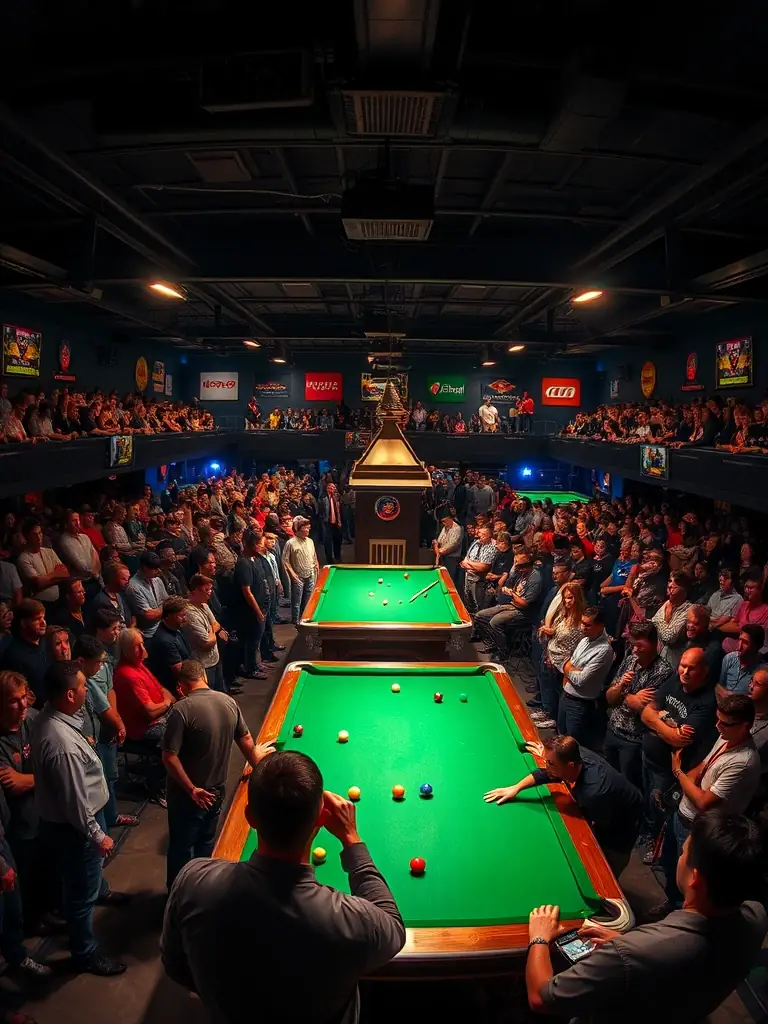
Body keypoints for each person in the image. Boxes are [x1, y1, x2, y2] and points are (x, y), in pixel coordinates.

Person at [161, 750, 406, 1022]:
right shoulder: (350, 919)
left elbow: (175, 964)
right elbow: (393, 927)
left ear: (249, 817)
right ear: (321, 820)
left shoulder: (193, 880)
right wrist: (351, 838)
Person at [524, 811, 767, 1023]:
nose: (679, 858)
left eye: (683, 852)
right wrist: (629, 945)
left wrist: (539, 938)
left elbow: (540, 998)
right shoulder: (758, 916)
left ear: (696, 879)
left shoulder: (630, 953)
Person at [31, 660, 126, 976]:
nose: (89, 689)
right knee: (79, 895)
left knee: (83, 883)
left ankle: (99, 891)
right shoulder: (61, 745)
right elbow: (75, 802)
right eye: (85, 685)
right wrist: (99, 836)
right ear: (70, 695)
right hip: (75, 829)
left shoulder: (53, 719)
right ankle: (85, 953)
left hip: (67, 824)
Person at [161, 660, 273, 889]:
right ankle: (203, 891)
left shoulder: (181, 710)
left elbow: (169, 757)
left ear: (181, 686)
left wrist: (192, 789)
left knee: (181, 849)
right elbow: (247, 741)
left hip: (187, 795)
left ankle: (177, 897)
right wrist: (258, 767)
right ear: (204, 677)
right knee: (206, 845)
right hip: (216, 791)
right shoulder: (228, 702)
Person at [653, 694, 761, 915]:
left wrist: (677, 772)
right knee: (670, 864)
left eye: (725, 723)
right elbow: (702, 767)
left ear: (745, 726)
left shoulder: (743, 761)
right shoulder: (725, 737)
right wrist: (687, 781)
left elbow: (704, 802)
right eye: (717, 719)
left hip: (699, 827)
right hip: (682, 815)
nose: (717, 726)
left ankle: (680, 917)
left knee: (692, 882)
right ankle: (671, 904)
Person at [484, 735, 641, 876]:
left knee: (608, 864)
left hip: (625, 820)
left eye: (550, 763)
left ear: (570, 765)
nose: (547, 766)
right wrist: (516, 788)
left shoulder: (592, 792)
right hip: (606, 802)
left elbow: (601, 824)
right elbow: (550, 773)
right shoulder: (574, 753)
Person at [640, 647, 717, 850]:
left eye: (691, 668)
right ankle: (646, 832)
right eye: (683, 666)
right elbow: (645, 713)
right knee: (646, 797)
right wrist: (666, 721)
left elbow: (678, 739)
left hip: (668, 769)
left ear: (704, 671)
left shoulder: (706, 701)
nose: (685, 672)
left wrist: (657, 719)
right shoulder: (676, 681)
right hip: (648, 755)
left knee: (660, 807)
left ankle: (653, 844)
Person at [603, 621, 673, 790]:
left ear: (654, 643)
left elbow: (643, 708)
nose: (635, 650)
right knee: (608, 775)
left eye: (639, 646)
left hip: (633, 740)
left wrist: (625, 696)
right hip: (613, 728)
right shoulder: (630, 660)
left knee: (628, 785)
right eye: (633, 645)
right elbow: (610, 698)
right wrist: (622, 688)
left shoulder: (663, 671)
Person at [558, 606, 614, 748]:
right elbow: (567, 662)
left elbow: (580, 680)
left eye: (587, 625)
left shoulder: (604, 650)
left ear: (600, 626)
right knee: (560, 737)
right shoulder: (584, 640)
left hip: (580, 704)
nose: (582, 627)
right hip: (566, 695)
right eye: (582, 623)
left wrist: (567, 668)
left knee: (572, 746)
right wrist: (571, 668)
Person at [474, 552, 543, 661]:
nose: (516, 567)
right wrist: (509, 585)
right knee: (479, 616)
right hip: (511, 604)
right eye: (515, 563)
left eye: (518, 565)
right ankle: (492, 644)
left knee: (495, 622)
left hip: (524, 612)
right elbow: (508, 584)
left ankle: (503, 652)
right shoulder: (520, 572)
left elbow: (524, 604)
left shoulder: (535, 578)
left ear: (527, 565)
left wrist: (512, 594)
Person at [113, 628, 175, 745]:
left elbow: (162, 689)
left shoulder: (138, 664)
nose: (143, 650)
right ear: (126, 651)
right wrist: (167, 703)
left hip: (162, 716)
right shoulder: (128, 674)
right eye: (137, 646)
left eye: (142, 644)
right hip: (146, 728)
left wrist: (167, 702)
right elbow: (151, 712)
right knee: (181, 734)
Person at [183, 574, 227, 693]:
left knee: (221, 694)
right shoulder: (190, 613)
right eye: (206, 590)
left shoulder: (204, 605)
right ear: (195, 590)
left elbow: (217, 624)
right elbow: (207, 643)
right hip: (204, 665)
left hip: (215, 660)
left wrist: (212, 630)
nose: (210, 593)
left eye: (211, 589)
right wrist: (213, 630)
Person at [17, 519, 68, 607]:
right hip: (40, 602)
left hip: (58, 598)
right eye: (34, 535)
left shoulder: (49, 551)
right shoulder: (24, 558)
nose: (38, 537)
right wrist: (56, 574)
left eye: (40, 533)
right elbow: (38, 584)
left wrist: (45, 579)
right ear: (27, 537)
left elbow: (66, 573)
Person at [147, 597, 193, 691]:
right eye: (181, 616)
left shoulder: (177, 627)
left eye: (185, 615)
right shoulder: (165, 640)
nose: (185, 619)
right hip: (173, 688)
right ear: (168, 616)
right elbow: (179, 671)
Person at [282, 516, 319, 625]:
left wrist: (316, 563)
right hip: (298, 575)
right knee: (297, 601)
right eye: (306, 528)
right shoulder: (290, 543)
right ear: (298, 529)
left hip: (310, 573)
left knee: (308, 599)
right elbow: (285, 561)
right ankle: (296, 621)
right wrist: (292, 574)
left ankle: (305, 619)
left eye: (308, 528)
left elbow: (313, 554)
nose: (308, 530)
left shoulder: (310, 541)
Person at [651, 570, 692, 669]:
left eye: (674, 588)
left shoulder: (689, 609)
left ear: (684, 590)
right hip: (659, 656)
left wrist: (658, 620)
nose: (670, 591)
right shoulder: (667, 603)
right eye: (669, 587)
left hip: (674, 662)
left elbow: (668, 636)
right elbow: (653, 619)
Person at [125, 551, 169, 640]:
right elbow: (149, 615)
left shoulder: (157, 580)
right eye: (155, 568)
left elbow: (167, 601)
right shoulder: (133, 586)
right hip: (149, 634)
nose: (159, 571)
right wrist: (168, 609)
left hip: (163, 625)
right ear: (145, 568)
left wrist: (164, 609)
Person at [720, 571, 768, 654]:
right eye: (746, 587)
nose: (747, 590)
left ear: (760, 590)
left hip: (756, 649)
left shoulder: (766, 609)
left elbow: (761, 635)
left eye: (751, 588)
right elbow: (733, 622)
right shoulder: (744, 605)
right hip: (738, 642)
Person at [717, 623, 765, 698]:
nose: (738, 647)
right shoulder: (729, 658)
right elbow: (720, 685)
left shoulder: (762, 672)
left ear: (757, 646)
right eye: (739, 640)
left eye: (745, 643)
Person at [682, 603, 723, 685]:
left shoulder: (713, 648)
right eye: (689, 622)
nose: (690, 626)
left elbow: (703, 679)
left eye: (696, 624)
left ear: (706, 625)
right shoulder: (691, 638)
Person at [460, 524, 495, 614]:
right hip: (468, 577)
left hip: (479, 581)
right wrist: (470, 565)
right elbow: (465, 560)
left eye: (482, 534)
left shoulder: (492, 547)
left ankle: (478, 626)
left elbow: (483, 567)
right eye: (479, 533)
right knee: (468, 603)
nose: (479, 535)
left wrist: (469, 564)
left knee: (478, 606)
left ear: (489, 535)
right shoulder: (475, 543)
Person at [432, 511, 462, 582]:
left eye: (444, 521)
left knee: (449, 580)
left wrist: (438, 550)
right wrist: (437, 548)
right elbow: (438, 541)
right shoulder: (445, 527)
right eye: (442, 521)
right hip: (443, 558)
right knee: (442, 579)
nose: (443, 523)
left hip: (452, 559)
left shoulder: (458, 529)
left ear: (450, 519)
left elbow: (450, 547)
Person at [320, 482, 343, 565]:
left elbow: (340, 510)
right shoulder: (323, 498)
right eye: (331, 487)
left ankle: (338, 557)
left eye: (334, 487)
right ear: (327, 489)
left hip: (337, 523)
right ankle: (329, 559)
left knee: (338, 540)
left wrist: (340, 521)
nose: (333, 489)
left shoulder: (337, 497)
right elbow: (321, 511)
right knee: (328, 542)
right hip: (327, 523)